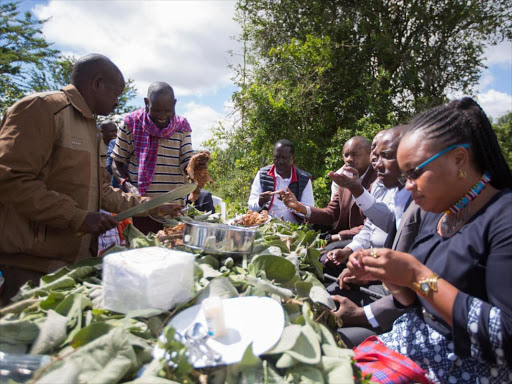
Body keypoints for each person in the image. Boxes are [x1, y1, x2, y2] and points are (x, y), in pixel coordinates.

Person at [346, 98, 512, 382]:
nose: (408, 186)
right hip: (406, 345)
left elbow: (504, 339)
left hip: (456, 368)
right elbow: (413, 301)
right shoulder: (438, 211)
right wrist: (391, 276)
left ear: (459, 159)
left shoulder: (503, 218)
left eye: (415, 173)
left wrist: (416, 273)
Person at [0, 54, 181, 304]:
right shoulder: (42, 109)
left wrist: (152, 205)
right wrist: (77, 217)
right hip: (30, 264)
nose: (118, 103)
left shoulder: (90, 128)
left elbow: (103, 192)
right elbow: (10, 180)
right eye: (116, 94)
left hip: (72, 262)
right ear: (97, 83)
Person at [111, 81, 197, 234]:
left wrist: (196, 168)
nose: (162, 117)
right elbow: (116, 162)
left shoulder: (182, 126)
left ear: (175, 104)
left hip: (174, 211)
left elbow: (187, 161)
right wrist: (127, 184)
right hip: (142, 210)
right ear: (146, 103)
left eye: (168, 111)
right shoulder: (130, 124)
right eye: (156, 110)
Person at [322, 127, 411, 272]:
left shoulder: (419, 197)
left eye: (386, 155)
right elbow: (369, 228)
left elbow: (391, 225)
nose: (377, 162)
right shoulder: (379, 185)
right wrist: (349, 250)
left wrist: (356, 189)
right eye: (375, 153)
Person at [280, 136, 376, 253]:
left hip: (368, 242)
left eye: (354, 154)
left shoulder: (378, 181)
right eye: (346, 155)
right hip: (346, 238)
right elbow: (330, 214)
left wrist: (338, 237)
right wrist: (298, 207)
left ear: (370, 155)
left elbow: (372, 225)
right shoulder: (344, 178)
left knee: (323, 256)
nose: (349, 159)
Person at [248, 139, 314, 224]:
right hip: (264, 227)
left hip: (294, 229)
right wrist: (260, 202)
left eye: (284, 158)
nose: (280, 162)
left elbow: (309, 213)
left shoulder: (304, 179)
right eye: (277, 157)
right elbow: (251, 206)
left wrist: (294, 205)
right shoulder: (262, 174)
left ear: (292, 158)